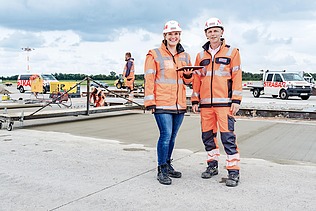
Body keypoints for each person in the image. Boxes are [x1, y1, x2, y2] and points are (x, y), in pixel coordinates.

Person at [191, 17, 242, 187]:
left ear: (222, 32)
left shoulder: (232, 52)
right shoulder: (200, 56)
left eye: (216, 30)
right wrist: (195, 99)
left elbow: (236, 77)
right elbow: (197, 79)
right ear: (206, 34)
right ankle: (212, 166)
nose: (213, 34)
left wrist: (236, 100)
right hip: (205, 105)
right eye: (210, 31)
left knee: (228, 137)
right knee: (207, 137)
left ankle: (233, 171)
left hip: (224, 104)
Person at [144, 20, 193, 185]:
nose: (174, 37)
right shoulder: (154, 54)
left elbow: (188, 81)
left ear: (180, 36)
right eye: (170, 34)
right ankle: (161, 168)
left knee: (172, 137)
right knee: (165, 136)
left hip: (179, 104)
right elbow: (149, 78)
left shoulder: (185, 56)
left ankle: (168, 163)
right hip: (162, 103)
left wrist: (187, 75)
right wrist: (150, 101)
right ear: (165, 36)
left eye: (176, 34)